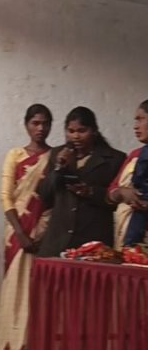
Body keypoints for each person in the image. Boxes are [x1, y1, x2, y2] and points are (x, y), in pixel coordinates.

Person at [0, 104, 53, 350]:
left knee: (35, 298)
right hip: (16, 236)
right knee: (12, 295)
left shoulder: (55, 157)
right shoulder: (14, 155)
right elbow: (6, 197)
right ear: (26, 125)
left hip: (42, 235)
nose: (40, 128)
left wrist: (40, 234)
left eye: (45, 123)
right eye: (35, 123)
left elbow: (53, 200)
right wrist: (20, 233)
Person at [36, 106, 126, 258]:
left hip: (93, 243)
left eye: (82, 131)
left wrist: (91, 192)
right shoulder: (57, 154)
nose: (75, 136)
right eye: (71, 131)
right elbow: (45, 196)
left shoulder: (114, 159)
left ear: (94, 131)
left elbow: (118, 201)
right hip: (57, 242)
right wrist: (59, 168)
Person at [106, 98, 148, 247]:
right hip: (125, 233)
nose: (135, 126)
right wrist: (122, 193)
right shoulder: (135, 155)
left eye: (141, 119)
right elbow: (110, 193)